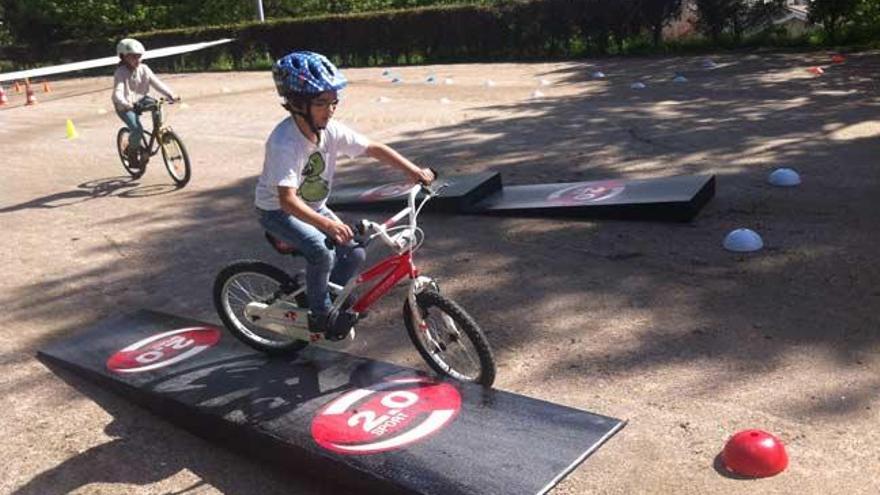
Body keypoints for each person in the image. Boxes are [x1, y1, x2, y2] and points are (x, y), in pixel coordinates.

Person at [255, 51, 434, 339]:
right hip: (277, 212)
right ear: (297, 104)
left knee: (353, 251)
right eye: (321, 103)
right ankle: (320, 312)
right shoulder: (284, 143)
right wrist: (327, 224)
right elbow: (287, 200)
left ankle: (329, 293)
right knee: (320, 252)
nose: (330, 110)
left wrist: (413, 171)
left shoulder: (330, 131)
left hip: (313, 206)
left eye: (333, 102)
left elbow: (372, 148)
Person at [111, 38, 178, 169]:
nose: (137, 60)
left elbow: (157, 83)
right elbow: (117, 93)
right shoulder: (120, 72)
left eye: (139, 57)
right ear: (123, 57)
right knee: (137, 130)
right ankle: (131, 153)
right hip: (124, 105)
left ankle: (160, 131)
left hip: (141, 99)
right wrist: (126, 103)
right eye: (133, 57)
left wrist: (170, 94)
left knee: (157, 105)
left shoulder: (144, 68)